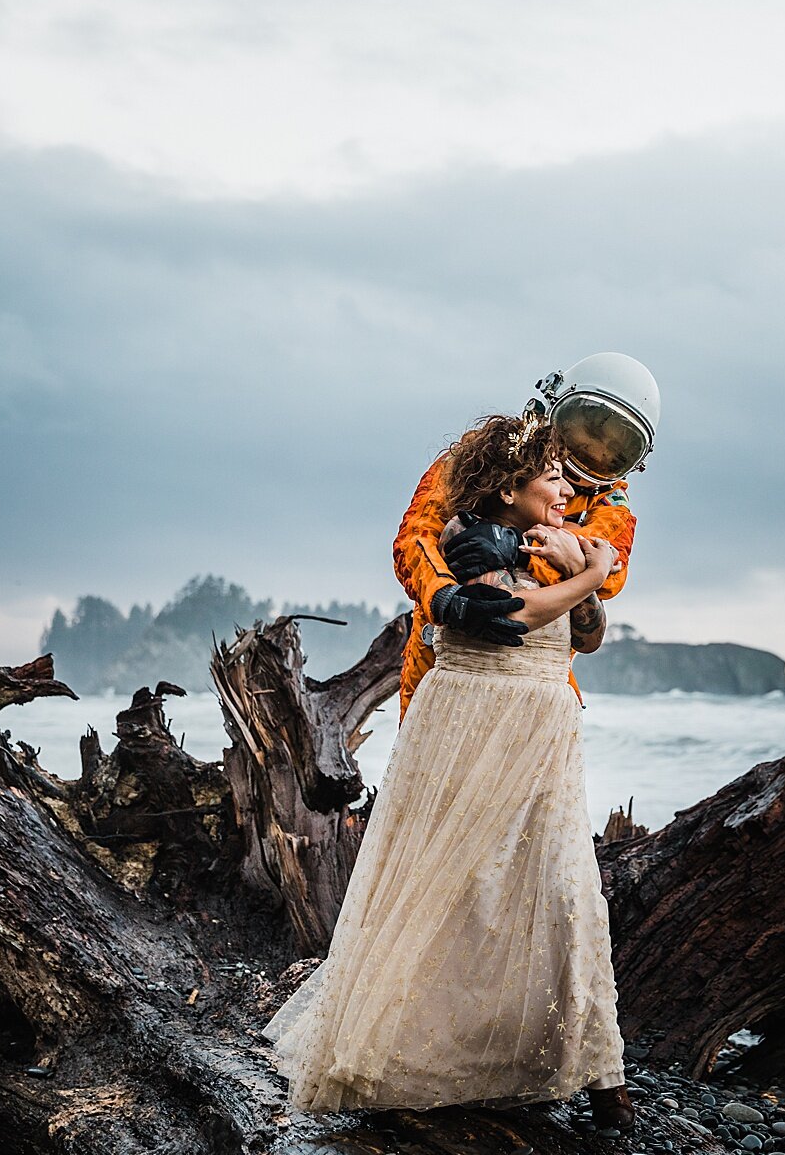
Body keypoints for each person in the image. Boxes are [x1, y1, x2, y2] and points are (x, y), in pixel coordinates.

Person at [261, 413, 636, 1129]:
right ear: (508, 485)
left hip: (540, 723)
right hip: (472, 713)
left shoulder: (588, 520)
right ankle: (427, 1048)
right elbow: (497, 600)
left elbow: (586, 631)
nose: (571, 482)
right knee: (453, 880)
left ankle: (578, 1061)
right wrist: (583, 568)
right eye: (554, 473)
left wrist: (583, 571)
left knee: (556, 886)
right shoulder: (474, 524)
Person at [391, 352, 660, 718]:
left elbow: (610, 570)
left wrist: (513, 546)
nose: (591, 451)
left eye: (615, 448)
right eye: (587, 427)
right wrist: (445, 598)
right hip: (443, 665)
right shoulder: (480, 459)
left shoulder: (611, 502)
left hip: (538, 680)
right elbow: (416, 536)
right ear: (552, 406)